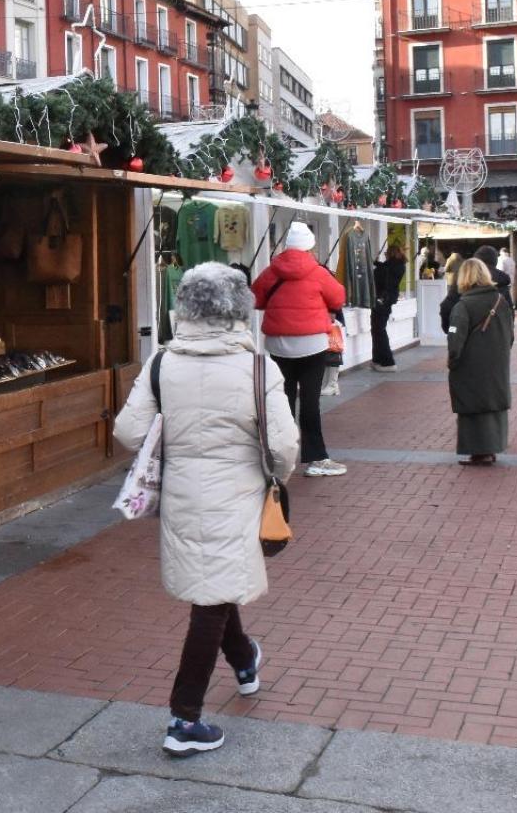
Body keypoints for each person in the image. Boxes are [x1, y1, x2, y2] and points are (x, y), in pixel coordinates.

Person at [114, 263, 301, 757]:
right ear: (239, 310)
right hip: (237, 495)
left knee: (214, 583)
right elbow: (284, 447)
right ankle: (184, 719)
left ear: (185, 309)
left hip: (181, 495)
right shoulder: (258, 367)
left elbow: (128, 433)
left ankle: (244, 660)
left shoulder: (161, 363)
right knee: (212, 595)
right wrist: (275, 475)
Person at [253, 221, 348, 477]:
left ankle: (276, 456)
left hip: (277, 345)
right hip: (312, 345)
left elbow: (256, 298)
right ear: (309, 247)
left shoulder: (271, 271)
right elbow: (338, 298)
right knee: (309, 401)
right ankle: (316, 458)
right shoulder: (318, 272)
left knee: (281, 401)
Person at [447, 259, 515, 465]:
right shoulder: (501, 301)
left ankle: (479, 451)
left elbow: (455, 340)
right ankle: (491, 448)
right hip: (497, 365)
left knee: (472, 406)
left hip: (471, 367)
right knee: (492, 405)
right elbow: (510, 335)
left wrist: (452, 361)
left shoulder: (463, 305)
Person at [439, 244, 511, 331]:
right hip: (498, 339)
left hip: (469, 338)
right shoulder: (502, 281)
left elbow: (446, 307)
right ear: (495, 262)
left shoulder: (465, 279)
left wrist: (452, 330)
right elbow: (510, 314)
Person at [370, 244, 408, 371]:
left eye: (387, 252)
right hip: (387, 300)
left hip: (382, 300)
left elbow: (382, 275)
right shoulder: (398, 265)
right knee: (378, 329)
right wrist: (376, 263)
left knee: (379, 330)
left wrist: (374, 265)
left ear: (391, 253)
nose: (385, 254)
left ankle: (388, 362)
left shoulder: (389, 267)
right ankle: (377, 360)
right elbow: (385, 268)